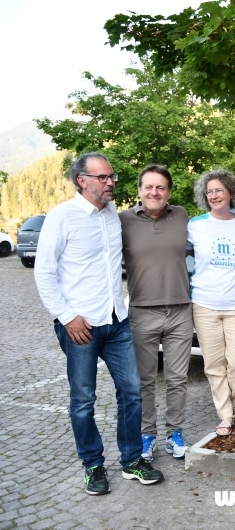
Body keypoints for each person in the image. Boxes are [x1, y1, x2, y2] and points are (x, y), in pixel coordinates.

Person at [35, 152, 163, 496]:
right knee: (83, 400)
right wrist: (67, 317)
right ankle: (92, 465)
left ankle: (132, 459)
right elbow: (44, 273)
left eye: (112, 176)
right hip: (81, 326)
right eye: (103, 177)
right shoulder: (62, 217)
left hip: (116, 321)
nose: (110, 183)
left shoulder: (112, 216)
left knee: (132, 392)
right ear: (83, 181)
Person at [120, 164, 193, 462]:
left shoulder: (182, 216)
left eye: (160, 187)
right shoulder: (122, 220)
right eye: (148, 187)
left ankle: (174, 433)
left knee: (178, 378)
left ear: (169, 192)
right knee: (144, 380)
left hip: (179, 311)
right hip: (141, 311)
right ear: (139, 190)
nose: (154, 192)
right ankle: (146, 434)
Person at [188, 169, 235, 438]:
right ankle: (226, 414)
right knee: (214, 366)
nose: (214, 195)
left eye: (219, 190)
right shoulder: (194, 225)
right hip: (204, 304)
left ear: (231, 194)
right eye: (209, 191)